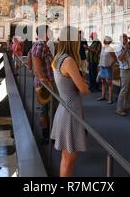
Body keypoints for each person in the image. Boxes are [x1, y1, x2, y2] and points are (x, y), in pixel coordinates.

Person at [50, 26, 89, 177]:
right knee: (69, 158)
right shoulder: (69, 60)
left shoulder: (58, 58)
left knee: (68, 157)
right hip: (71, 109)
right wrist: (84, 82)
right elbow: (83, 89)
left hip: (65, 107)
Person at [28, 25, 55, 144]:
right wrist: (43, 78)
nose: (51, 33)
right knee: (44, 110)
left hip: (44, 83)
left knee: (45, 109)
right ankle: (45, 136)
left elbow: (31, 56)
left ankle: (47, 133)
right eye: (49, 31)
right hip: (44, 85)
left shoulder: (39, 44)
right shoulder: (40, 45)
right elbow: (36, 57)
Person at [98, 36, 117, 104]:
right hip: (102, 67)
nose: (103, 40)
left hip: (108, 68)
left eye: (105, 40)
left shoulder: (110, 49)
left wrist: (110, 65)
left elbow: (115, 59)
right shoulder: (103, 48)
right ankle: (103, 96)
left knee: (109, 83)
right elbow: (101, 58)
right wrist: (99, 66)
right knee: (103, 82)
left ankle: (110, 99)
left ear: (107, 41)